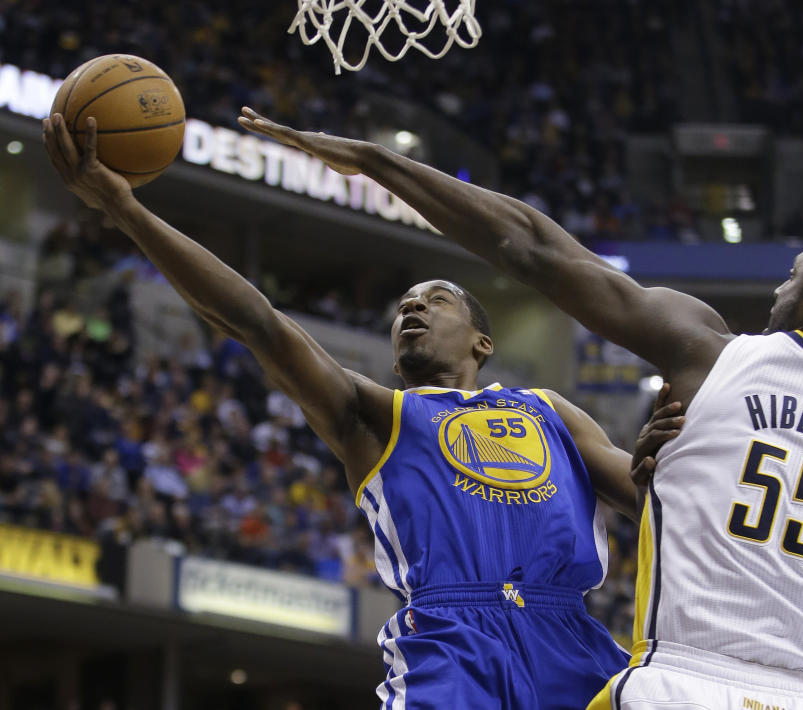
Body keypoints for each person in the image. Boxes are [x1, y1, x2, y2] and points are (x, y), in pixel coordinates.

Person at [236, 108, 803, 709]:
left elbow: (531, 247)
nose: (777, 293)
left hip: (681, 683)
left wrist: (377, 162)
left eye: (791, 278)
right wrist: (667, 478)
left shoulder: (715, 355)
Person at [41, 113, 683, 710]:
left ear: (483, 342)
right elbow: (256, 322)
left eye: (436, 299)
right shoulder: (374, 415)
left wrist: (658, 463)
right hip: (451, 643)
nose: (413, 308)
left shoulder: (549, 410)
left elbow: (653, 502)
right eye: (404, 303)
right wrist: (126, 211)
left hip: (570, 638)